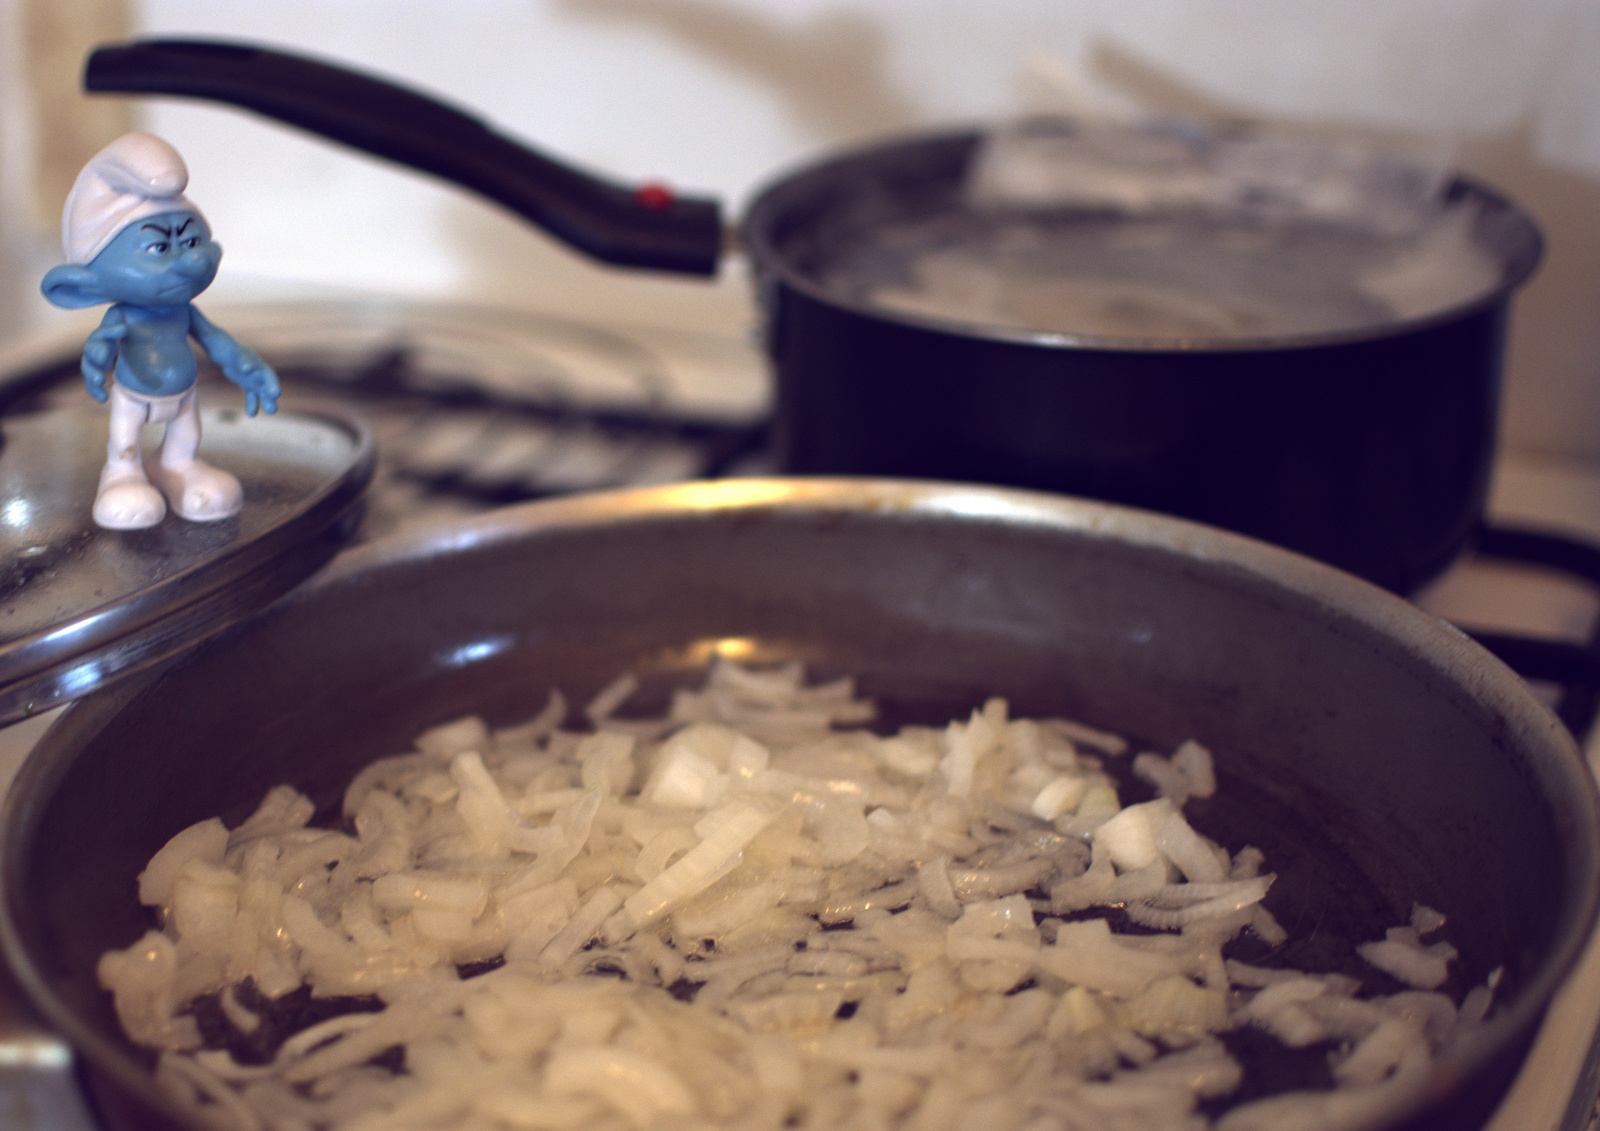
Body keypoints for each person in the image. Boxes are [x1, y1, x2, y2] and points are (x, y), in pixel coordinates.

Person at [40, 131, 280, 530]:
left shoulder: (183, 310)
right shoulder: (124, 315)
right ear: (85, 284)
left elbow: (213, 338)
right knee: (124, 442)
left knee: (186, 436)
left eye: (191, 240)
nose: (192, 261)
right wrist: (98, 355)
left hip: (184, 396)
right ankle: (122, 474)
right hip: (133, 397)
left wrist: (242, 363)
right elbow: (103, 344)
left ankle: (177, 467)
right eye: (159, 248)